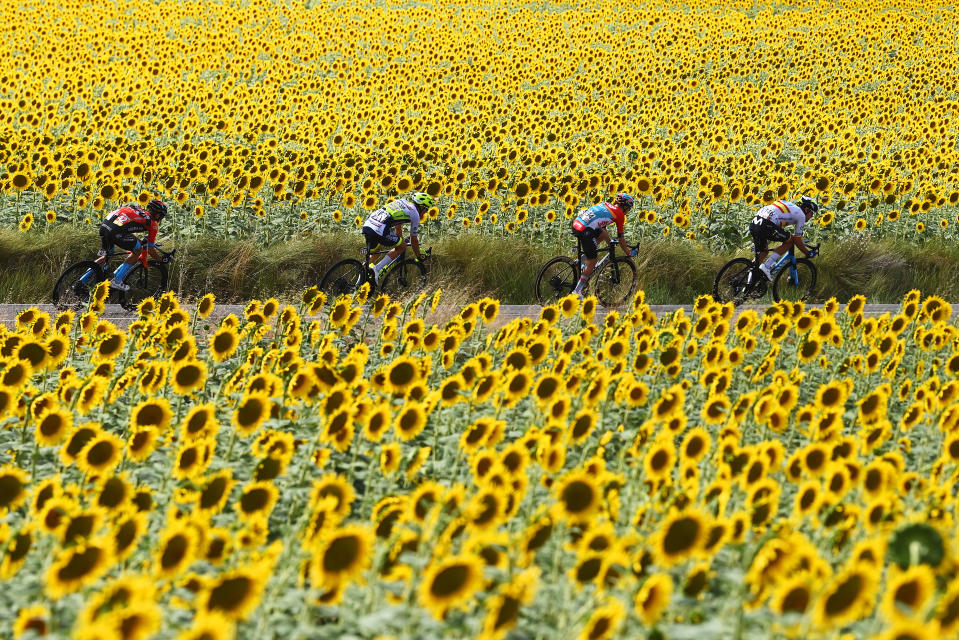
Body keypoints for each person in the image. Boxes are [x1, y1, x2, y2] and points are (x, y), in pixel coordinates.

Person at [82, 199, 168, 291]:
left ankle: (82, 280)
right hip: (116, 231)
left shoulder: (136, 208)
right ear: (158, 215)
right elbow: (150, 250)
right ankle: (117, 281)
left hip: (104, 227)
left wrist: (138, 241)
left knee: (107, 256)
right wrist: (161, 259)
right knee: (138, 250)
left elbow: (124, 226)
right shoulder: (153, 224)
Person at [570, 193, 638, 297]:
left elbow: (603, 230)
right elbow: (621, 239)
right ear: (625, 206)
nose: (628, 211)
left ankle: (580, 261)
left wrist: (609, 243)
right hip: (585, 230)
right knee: (593, 260)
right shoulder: (619, 215)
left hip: (577, 224)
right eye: (629, 208)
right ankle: (576, 292)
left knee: (601, 234)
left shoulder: (607, 205)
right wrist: (628, 252)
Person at [361, 192, 434, 284]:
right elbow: (413, 238)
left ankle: (360, 272)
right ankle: (377, 269)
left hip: (368, 225)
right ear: (422, 207)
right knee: (402, 246)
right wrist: (418, 255)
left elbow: (397, 226)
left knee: (376, 253)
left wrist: (400, 240)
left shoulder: (401, 202)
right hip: (379, 229)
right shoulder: (415, 214)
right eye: (426, 210)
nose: (426, 213)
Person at [750, 195, 819, 280]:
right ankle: (767, 267)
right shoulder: (801, 215)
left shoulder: (790, 207)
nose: (812, 216)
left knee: (763, 252)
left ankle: (749, 280)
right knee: (790, 241)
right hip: (765, 224)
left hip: (755, 222)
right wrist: (807, 253)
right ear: (807, 209)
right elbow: (797, 239)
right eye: (812, 213)